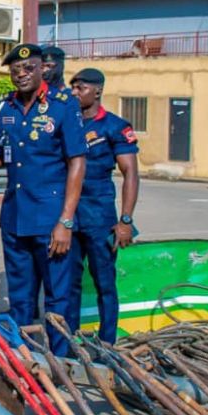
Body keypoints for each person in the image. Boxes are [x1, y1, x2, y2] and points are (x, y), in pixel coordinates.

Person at [0, 43, 87, 357]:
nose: (21, 75)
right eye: (15, 71)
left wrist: (66, 220)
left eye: (28, 69)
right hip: (14, 218)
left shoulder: (63, 105)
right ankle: (25, 359)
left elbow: (77, 161)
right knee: (21, 298)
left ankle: (61, 363)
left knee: (57, 299)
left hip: (52, 220)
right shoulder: (6, 108)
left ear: (43, 69)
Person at [67, 68, 140, 344]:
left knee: (105, 285)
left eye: (80, 88)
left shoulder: (115, 126)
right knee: (69, 284)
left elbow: (130, 174)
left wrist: (125, 220)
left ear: (97, 91)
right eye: (72, 87)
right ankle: (69, 342)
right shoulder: (69, 123)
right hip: (70, 217)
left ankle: (107, 343)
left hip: (100, 218)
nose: (74, 92)